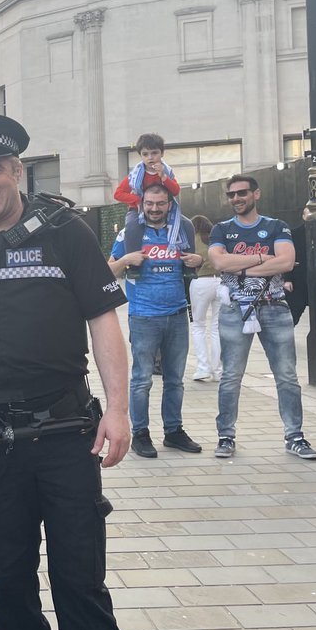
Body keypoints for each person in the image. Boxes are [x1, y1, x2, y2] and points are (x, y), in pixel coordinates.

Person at [0, 114, 135, 630]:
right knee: (9, 575)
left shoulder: (65, 231)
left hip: (65, 435)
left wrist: (119, 411)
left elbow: (103, 321)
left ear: (16, 170)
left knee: (79, 577)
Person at [208, 174, 316, 460]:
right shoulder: (221, 229)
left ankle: (295, 436)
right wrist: (262, 261)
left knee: (286, 376)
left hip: (274, 307)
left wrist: (240, 268)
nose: (236, 199)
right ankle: (226, 436)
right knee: (231, 376)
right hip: (235, 309)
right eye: (231, 194)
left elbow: (285, 261)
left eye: (242, 193)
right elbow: (219, 262)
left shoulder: (276, 226)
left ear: (256, 194)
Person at [107, 182, 202, 458]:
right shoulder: (131, 233)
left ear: (170, 204)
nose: (154, 209)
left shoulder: (181, 229)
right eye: (149, 203)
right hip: (144, 316)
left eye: (160, 204)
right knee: (141, 380)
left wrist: (197, 260)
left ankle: (173, 431)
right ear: (141, 204)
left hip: (176, 314)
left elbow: (193, 265)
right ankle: (140, 433)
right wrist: (126, 258)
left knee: (175, 379)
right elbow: (108, 271)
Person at [113, 132, 180, 225]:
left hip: (164, 211)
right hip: (137, 210)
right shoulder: (134, 175)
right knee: (131, 229)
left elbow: (175, 191)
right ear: (140, 155)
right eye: (145, 154)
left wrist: (164, 177)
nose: (150, 157)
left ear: (162, 153)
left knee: (186, 225)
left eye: (154, 153)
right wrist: (138, 200)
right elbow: (118, 194)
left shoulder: (167, 172)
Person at [189, 214, 222, 381]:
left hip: (200, 281)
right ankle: (218, 371)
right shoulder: (216, 238)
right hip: (221, 282)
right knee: (217, 328)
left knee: (198, 325)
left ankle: (203, 368)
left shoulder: (192, 239)